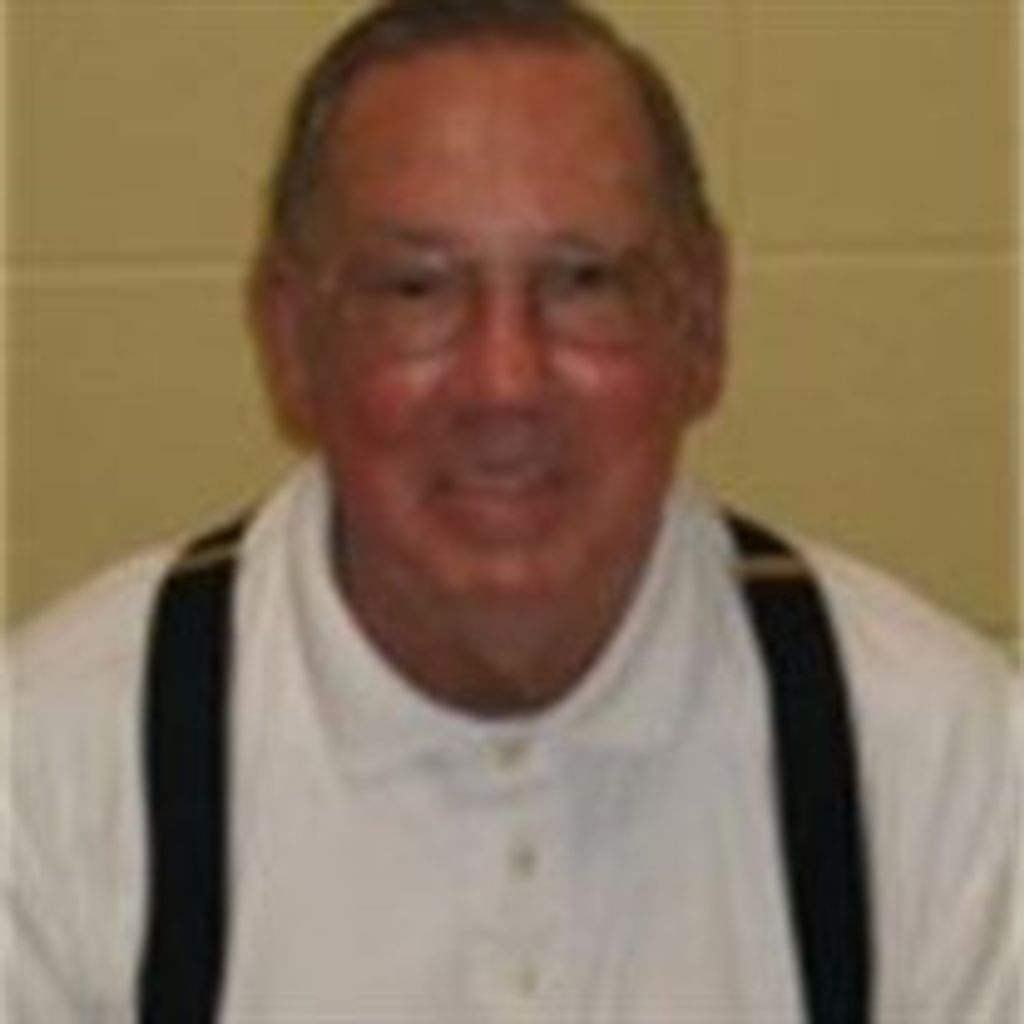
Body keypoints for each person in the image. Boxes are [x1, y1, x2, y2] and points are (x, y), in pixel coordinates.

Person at [8, 1, 1018, 1021]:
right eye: (416, 289)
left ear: (703, 321)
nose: (504, 384)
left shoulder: (944, 765)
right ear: (290, 338)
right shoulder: (48, 771)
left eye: (583, 282)